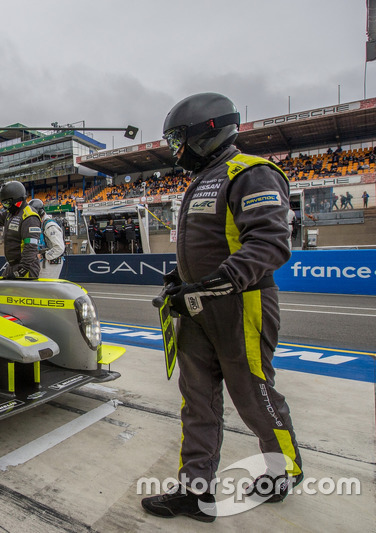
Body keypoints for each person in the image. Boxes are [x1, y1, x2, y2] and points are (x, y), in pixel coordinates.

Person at [142, 93, 302, 522]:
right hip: (197, 308)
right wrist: (182, 279)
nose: (175, 149)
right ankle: (196, 490)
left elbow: (269, 244)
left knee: (253, 395)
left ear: (206, 130)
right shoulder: (203, 178)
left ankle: (284, 470)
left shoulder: (251, 172)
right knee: (197, 401)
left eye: (178, 138)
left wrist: (211, 284)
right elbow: (211, 244)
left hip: (241, 306)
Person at [29, 199, 66, 278]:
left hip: (51, 262)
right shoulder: (42, 224)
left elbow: (59, 247)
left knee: (46, 287)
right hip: (45, 262)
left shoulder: (50, 225)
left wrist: (44, 255)